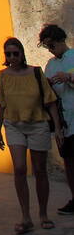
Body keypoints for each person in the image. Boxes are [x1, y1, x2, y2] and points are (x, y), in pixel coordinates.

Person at [0, 36, 63, 233]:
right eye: (8, 54)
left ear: (22, 54)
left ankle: (43, 214)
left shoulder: (35, 72)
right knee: (20, 168)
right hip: (13, 125)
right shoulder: (2, 75)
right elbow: (0, 103)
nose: (12, 57)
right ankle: (25, 216)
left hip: (38, 124)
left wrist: (57, 127)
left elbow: (50, 101)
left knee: (40, 169)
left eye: (16, 53)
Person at [39, 23, 74, 214]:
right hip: (63, 120)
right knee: (68, 160)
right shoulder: (50, 65)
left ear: (61, 40)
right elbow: (47, 94)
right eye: (47, 46)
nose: (50, 49)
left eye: (51, 44)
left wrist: (69, 78)